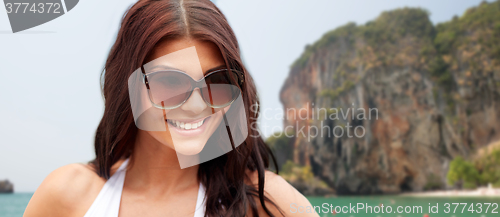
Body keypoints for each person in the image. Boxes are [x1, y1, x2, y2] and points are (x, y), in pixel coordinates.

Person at [24, 0, 317, 216]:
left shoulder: (265, 202)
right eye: (169, 82)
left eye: (216, 80)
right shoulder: (68, 196)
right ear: (129, 86)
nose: (197, 104)